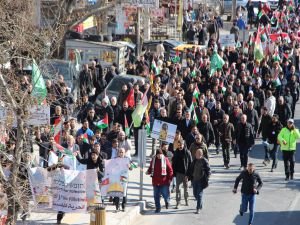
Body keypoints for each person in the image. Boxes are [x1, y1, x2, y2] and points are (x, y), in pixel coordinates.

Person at [146, 149, 173, 213]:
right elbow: (150, 168)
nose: (159, 156)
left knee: (165, 195)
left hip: (164, 182)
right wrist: (148, 171)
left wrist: (170, 179)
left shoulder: (165, 159)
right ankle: (158, 208)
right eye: (158, 154)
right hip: (155, 181)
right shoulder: (153, 160)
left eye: (160, 154)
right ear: (156, 154)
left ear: (162, 154)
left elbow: (170, 170)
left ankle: (167, 201)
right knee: (156, 196)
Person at [186, 149, 211, 214]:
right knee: (195, 193)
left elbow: (208, 170)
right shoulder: (194, 160)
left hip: (201, 180)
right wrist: (188, 176)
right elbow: (190, 169)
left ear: (201, 154)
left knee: (199, 194)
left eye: (198, 154)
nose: (197, 155)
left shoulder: (204, 161)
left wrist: (207, 178)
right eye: (196, 153)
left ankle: (197, 208)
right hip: (194, 180)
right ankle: (200, 203)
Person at [172, 140, 192, 209]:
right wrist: (174, 173)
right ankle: (178, 202)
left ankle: (187, 200)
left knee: (186, 188)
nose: (180, 146)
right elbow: (173, 163)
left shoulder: (187, 152)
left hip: (186, 174)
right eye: (179, 145)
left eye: (181, 145)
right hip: (178, 174)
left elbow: (190, 164)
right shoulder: (176, 152)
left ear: (184, 145)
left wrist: (188, 174)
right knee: (178, 189)